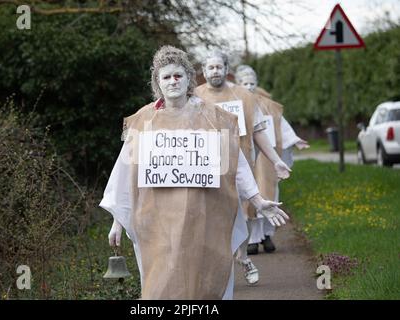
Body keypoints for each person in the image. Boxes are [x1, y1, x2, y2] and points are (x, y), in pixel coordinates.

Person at [99, 46, 289, 299]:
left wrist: (256, 199)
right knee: (161, 280)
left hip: (205, 215)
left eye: (178, 75)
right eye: (166, 77)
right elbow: (125, 172)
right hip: (157, 219)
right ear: (157, 82)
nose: (173, 81)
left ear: (189, 78)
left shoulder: (213, 118)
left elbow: (236, 164)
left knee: (204, 277)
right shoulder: (144, 121)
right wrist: (118, 220)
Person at [194, 50, 292, 285]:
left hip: (239, 168)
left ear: (226, 69)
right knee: (209, 222)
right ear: (203, 71)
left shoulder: (244, 97)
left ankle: (243, 256)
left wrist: (276, 159)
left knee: (239, 217)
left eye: (219, 67)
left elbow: (259, 131)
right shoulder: (195, 96)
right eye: (210, 67)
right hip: (205, 171)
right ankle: (216, 271)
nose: (215, 71)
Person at [234, 65, 309, 254]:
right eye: (245, 83)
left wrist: (294, 139)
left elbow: (281, 125)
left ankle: (267, 235)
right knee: (248, 196)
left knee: (268, 196)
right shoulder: (234, 103)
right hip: (246, 157)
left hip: (266, 161)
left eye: (252, 83)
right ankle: (252, 238)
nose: (249, 87)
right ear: (238, 84)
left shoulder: (268, 105)